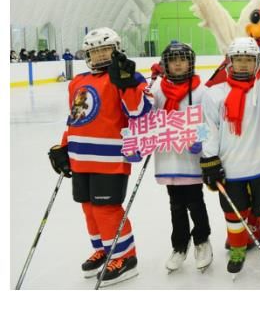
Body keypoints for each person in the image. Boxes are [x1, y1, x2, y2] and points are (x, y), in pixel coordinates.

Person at [47, 27, 152, 286]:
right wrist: (64, 147)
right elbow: (77, 118)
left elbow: (139, 111)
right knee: (89, 209)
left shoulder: (129, 77)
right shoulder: (78, 81)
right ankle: (106, 249)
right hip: (81, 157)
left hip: (111, 159)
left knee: (106, 209)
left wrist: (127, 82)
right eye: (94, 51)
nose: (100, 55)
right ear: (88, 55)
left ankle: (126, 257)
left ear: (116, 49)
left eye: (105, 49)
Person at [200, 37, 260, 275]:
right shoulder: (214, 94)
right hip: (231, 169)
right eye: (238, 60)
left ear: (257, 63)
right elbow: (207, 129)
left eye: (248, 60)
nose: (243, 65)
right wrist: (209, 160)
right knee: (234, 214)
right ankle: (238, 249)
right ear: (229, 62)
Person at [147, 41, 213, 272]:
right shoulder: (156, 90)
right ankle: (179, 245)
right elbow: (146, 116)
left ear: (190, 62)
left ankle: (202, 241)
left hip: (191, 160)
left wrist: (201, 140)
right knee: (176, 205)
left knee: (195, 202)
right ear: (165, 63)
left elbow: (209, 122)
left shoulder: (201, 91)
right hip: (168, 158)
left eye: (182, 59)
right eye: (173, 59)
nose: (177, 63)